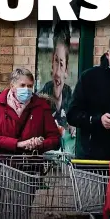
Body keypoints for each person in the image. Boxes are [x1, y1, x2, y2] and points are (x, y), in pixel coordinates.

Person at [0, 68, 61, 187]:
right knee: (3, 203)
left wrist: (39, 143)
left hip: (29, 168)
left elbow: (55, 139)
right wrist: (18, 144)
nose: (26, 89)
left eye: (30, 86)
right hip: (2, 168)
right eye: (22, 85)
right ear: (12, 86)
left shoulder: (41, 107)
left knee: (24, 204)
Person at [38, 22, 75, 154]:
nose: (57, 73)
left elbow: (73, 119)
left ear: (66, 70)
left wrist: (73, 126)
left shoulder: (69, 93)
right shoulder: (43, 95)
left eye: (61, 64)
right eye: (55, 63)